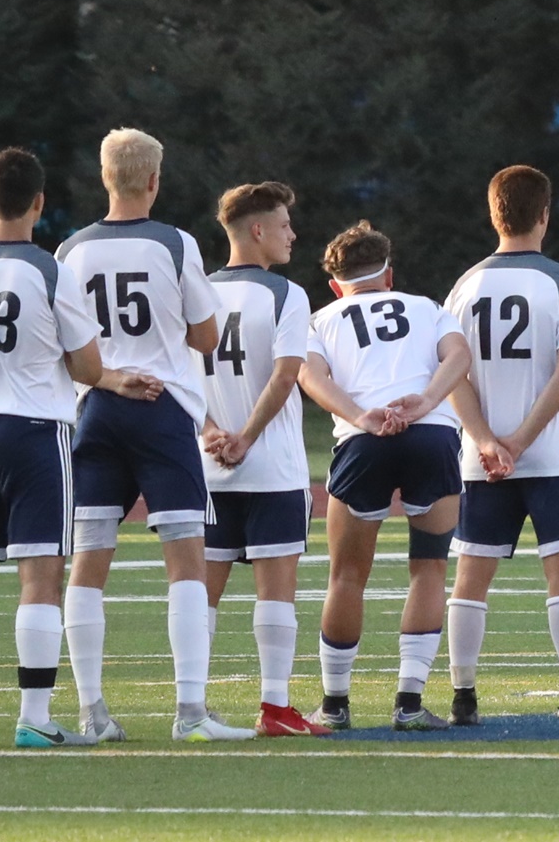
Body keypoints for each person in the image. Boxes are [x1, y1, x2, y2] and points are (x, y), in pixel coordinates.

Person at [0, 149, 127, 749]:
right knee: (41, 574)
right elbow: (89, 365)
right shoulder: (50, 269)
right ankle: (34, 717)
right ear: (39, 201)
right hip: (35, 433)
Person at [56, 128, 234, 741]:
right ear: (154, 180)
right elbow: (207, 337)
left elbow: (65, 344)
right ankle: (189, 711)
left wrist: (108, 372)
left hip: (96, 408)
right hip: (161, 410)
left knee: (88, 563)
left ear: (105, 177)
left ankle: (91, 711)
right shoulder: (174, 242)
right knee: (186, 561)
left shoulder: (70, 249)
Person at [442, 162, 559, 724]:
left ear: (494, 213)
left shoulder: (464, 285)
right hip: (552, 456)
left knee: (471, 577)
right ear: (545, 214)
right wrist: (518, 441)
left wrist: (488, 440)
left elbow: (454, 377)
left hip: (482, 461)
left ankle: (463, 698)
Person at [299, 219, 471, 732]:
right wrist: (425, 402)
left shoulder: (321, 319)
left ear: (336, 284)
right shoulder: (428, 308)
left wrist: (361, 416)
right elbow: (459, 356)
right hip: (432, 437)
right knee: (430, 569)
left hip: (362, 443)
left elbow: (310, 376)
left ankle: (334, 706)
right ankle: (410, 704)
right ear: (389, 275)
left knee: (347, 576)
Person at [196, 181, 320, 736]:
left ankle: (191, 706)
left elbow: (178, 377)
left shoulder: (194, 291)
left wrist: (211, 432)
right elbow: (286, 372)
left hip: (207, 466)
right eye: (285, 224)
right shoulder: (287, 294)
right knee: (277, 589)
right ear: (257, 230)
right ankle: (274, 707)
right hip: (271, 466)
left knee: (202, 594)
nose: (292, 234)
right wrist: (244, 437)